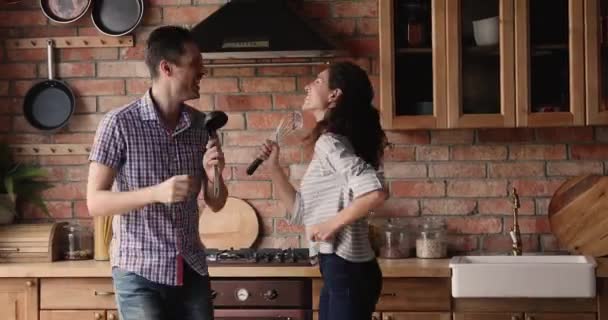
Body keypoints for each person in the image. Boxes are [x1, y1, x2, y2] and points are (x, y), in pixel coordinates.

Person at [86, 25, 228, 320]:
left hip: (190, 268)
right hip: (139, 272)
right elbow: (95, 202)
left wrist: (215, 173)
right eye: (195, 64)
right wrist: (155, 193)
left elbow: (215, 202)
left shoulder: (201, 125)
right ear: (167, 67)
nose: (202, 71)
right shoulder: (119, 124)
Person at [255, 61, 389, 320]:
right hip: (340, 268)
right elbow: (301, 212)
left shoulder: (330, 143)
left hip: (346, 268)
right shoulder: (336, 142)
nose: (307, 85)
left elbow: (375, 191)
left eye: (316, 81)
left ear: (334, 95)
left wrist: (330, 226)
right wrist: (273, 167)